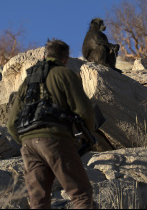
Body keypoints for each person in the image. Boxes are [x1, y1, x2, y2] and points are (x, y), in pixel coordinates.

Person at [7, 39, 96, 209]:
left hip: (28, 145)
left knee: (38, 201)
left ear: (43, 55)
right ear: (65, 59)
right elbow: (85, 111)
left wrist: (26, 142)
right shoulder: (65, 74)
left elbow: (11, 123)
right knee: (81, 194)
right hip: (55, 139)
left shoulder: (28, 81)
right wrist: (87, 134)